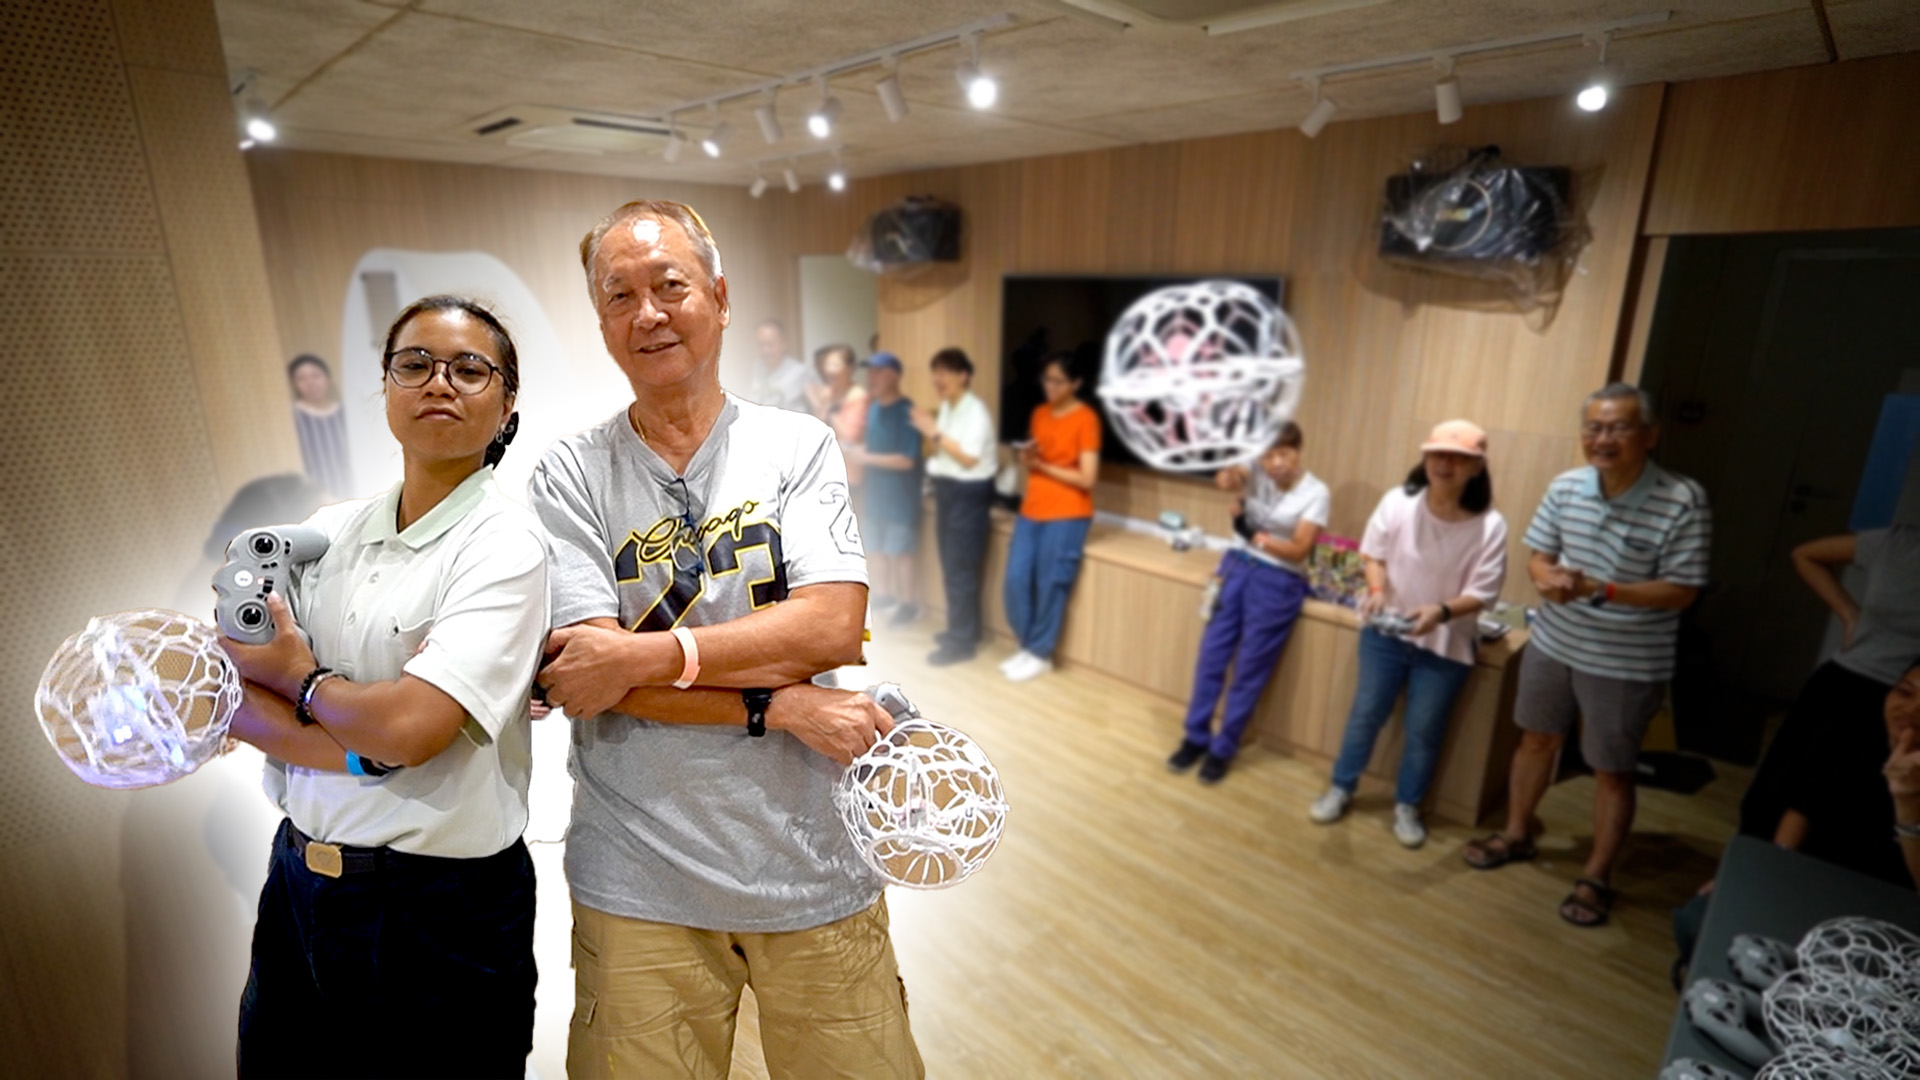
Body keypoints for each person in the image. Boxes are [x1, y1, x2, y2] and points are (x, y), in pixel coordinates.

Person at [527, 200, 923, 1080]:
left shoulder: (796, 445)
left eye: (670, 286)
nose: (649, 314)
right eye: (619, 296)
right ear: (600, 323)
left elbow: (827, 624)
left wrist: (649, 655)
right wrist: (778, 702)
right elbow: (593, 679)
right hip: (639, 877)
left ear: (721, 295)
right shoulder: (570, 472)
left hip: (814, 859)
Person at [221, 296, 547, 1078]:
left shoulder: (504, 546)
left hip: (438, 910)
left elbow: (409, 729)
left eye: (471, 369)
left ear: (506, 408)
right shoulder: (327, 529)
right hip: (297, 882)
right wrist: (360, 748)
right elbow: (237, 689)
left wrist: (300, 676)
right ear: (386, 389)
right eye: (415, 364)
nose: (440, 382)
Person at [1464, 383, 1711, 929]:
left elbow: (1683, 590)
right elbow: (1538, 558)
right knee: (1535, 740)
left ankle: (1597, 874)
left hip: (1626, 660)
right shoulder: (1567, 485)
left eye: (1619, 427)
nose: (1603, 439)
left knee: (1611, 770)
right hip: (1554, 641)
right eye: (1594, 428)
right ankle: (1517, 832)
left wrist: (1603, 589)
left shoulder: (1682, 498)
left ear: (1650, 435)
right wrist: (1547, 577)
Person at [1309, 421, 1508, 847]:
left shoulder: (1490, 525)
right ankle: (1341, 787)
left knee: (1423, 730)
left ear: (1477, 467)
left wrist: (1439, 612)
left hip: (1445, 644)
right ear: (1425, 458)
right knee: (1365, 715)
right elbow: (1373, 554)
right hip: (1385, 633)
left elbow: (1483, 593)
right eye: (1437, 454)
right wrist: (1377, 590)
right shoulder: (1398, 502)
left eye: (1458, 457)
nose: (1444, 463)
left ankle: (1407, 805)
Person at [1168, 422, 1328, 784]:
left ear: (1299, 451)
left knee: (1249, 670)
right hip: (1234, 568)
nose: (1277, 462)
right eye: (1269, 453)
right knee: (1211, 656)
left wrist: (1252, 535)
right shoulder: (1253, 470)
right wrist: (1234, 466)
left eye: (1285, 453)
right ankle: (1195, 737)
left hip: (1277, 582)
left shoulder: (1316, 492)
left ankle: (1224, 748)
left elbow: (1300, 548)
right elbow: (1227, 481)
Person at [1739, 525, 1920, 843]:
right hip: (1843, 685)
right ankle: (1742, 869)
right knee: (1779, 789)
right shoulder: (1899, 542)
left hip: (1906, 706)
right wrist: (1848, 614)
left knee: (1849, 812)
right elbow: (1805, 554)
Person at [1001, 352, 1101, 683]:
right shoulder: (1041, 414)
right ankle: (1028, 645)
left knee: (1050, 584)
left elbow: (1087, 477)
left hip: (1069, 513)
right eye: (1047, 379)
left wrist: (1042, 466)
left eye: (1058, 381)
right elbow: (1037, 459)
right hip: (1032, 507)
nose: (1050, 386)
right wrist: (1029, 459)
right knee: (1016, 580)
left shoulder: (1086, 419)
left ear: (1076, 383)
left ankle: (1040, 653)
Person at [911, 347, 998, 666]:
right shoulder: (950, 407)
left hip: (968, 493)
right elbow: (946, 452)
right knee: (952, 565)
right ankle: (964, 632)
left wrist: (930, 430)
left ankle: (962, 641)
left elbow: (969, 457)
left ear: (964, 375)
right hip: (948, 491)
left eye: (945, 371)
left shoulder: (976, 412)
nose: (938, 379)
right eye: (936, 372)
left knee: (961, 568)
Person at [853, 351, 924, 626]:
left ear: (895, 375)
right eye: (870, 371)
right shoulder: (873, 409)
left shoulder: (907, 412)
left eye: (880, 372)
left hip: (900, 498)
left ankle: (909, 604)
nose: (873, 377)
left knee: (900, 552)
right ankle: (884, 596)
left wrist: (867, 457)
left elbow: (907, 460)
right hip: (875, 495)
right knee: (877, 549)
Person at [809, 342, 869, 508]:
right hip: (826, 472)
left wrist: (830, 410)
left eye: (835, 364)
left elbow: (850, 437)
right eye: (827, 364)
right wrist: (818, 406)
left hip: (849, 474)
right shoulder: (829, 391)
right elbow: (818, 431)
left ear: (850, 369)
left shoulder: (859, 397)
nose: (829, 369)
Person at [286, 353, 354, 497]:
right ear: (294, 384)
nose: (310, 383)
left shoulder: (345, 414)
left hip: (352, 489)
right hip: (313, 497)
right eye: (302, 379)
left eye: (316, 376)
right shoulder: (293, 418)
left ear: (328, 378)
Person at [745, 317, 819, 413]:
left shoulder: (802, 373)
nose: (765, 351)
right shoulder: (754, 370)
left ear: (783, 343)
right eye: (761, 345)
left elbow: (821, 409)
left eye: (769, 344)